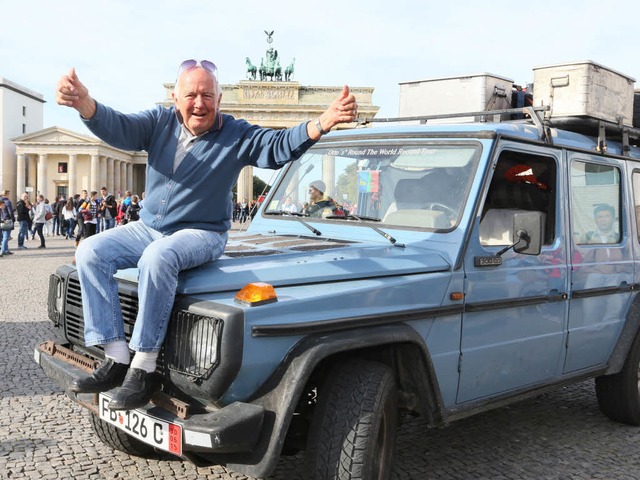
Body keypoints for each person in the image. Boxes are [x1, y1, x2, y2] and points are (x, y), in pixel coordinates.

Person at [56, 61, 357, 410]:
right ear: (175, 97)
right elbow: (119, 128)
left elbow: (276, 146)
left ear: (220, 97)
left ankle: (144, 366)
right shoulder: (158, 121)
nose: (199, 103)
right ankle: (117, 356)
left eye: (207, 95)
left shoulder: (235, 133)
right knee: (91, 250)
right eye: (191, 95)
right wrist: (84, 104)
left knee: (159, 256)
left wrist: (321, 122)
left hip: (202, 232)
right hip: (149, 227)